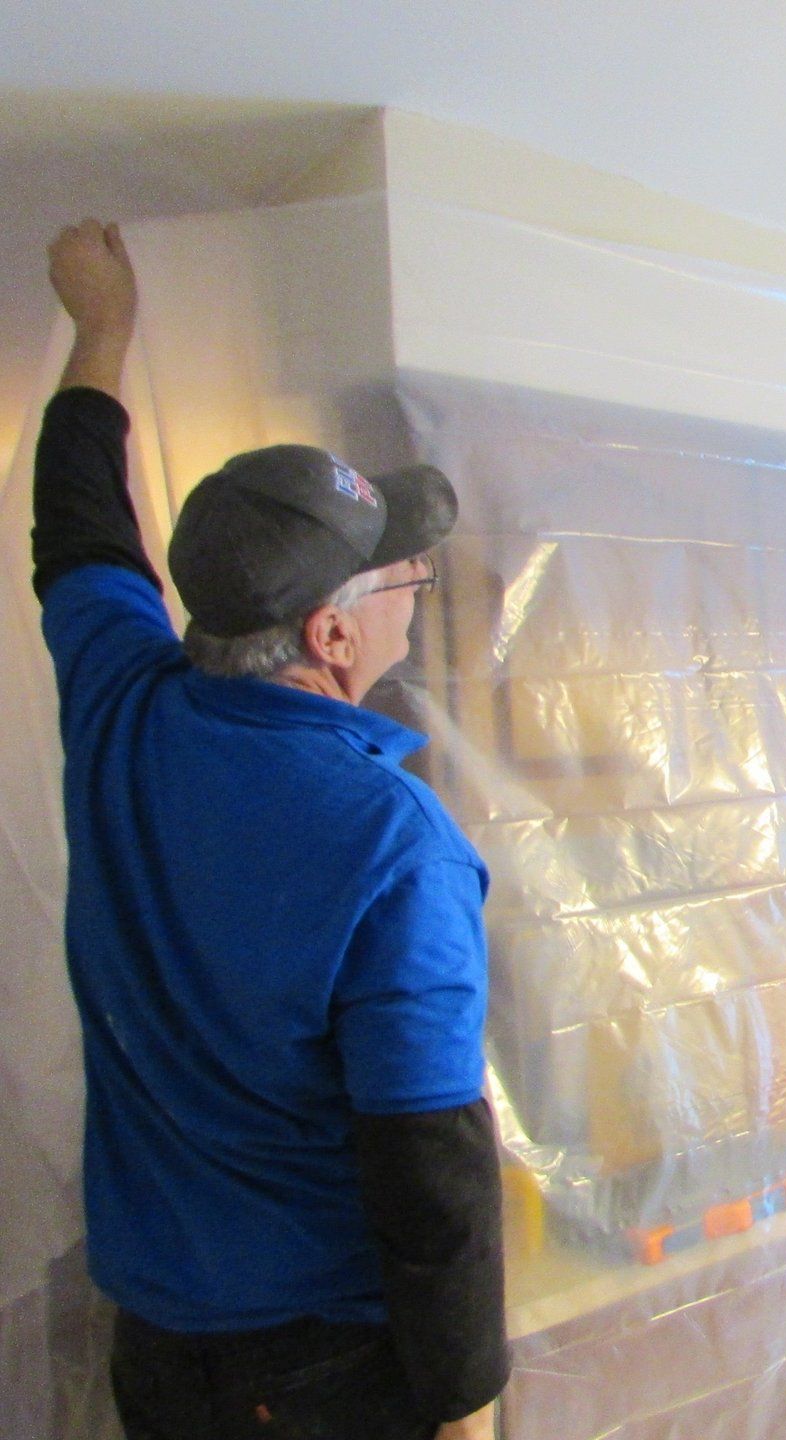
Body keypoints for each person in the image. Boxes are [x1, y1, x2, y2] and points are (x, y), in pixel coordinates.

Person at [33, 220, 504, 1440]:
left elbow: (79, 523)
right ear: (332, 637)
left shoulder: (124, 706)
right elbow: (429, 1164)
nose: (417, 595)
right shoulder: (395, 842)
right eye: (405, 580)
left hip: (159, 1349)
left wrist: (103, 333)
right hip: (321, 1375)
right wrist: (468, 1410)